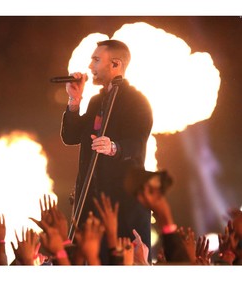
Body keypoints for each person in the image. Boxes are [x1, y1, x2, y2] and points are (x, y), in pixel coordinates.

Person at [60, 39, 153, 264]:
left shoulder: (137, 101)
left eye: (96, 60)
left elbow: (137, 144)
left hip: (122, 206)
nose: (90, 66)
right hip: (90, 205)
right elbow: (70, 137)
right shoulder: (95, 101)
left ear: (115, 64)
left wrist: (114, 147)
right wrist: (74, 100)